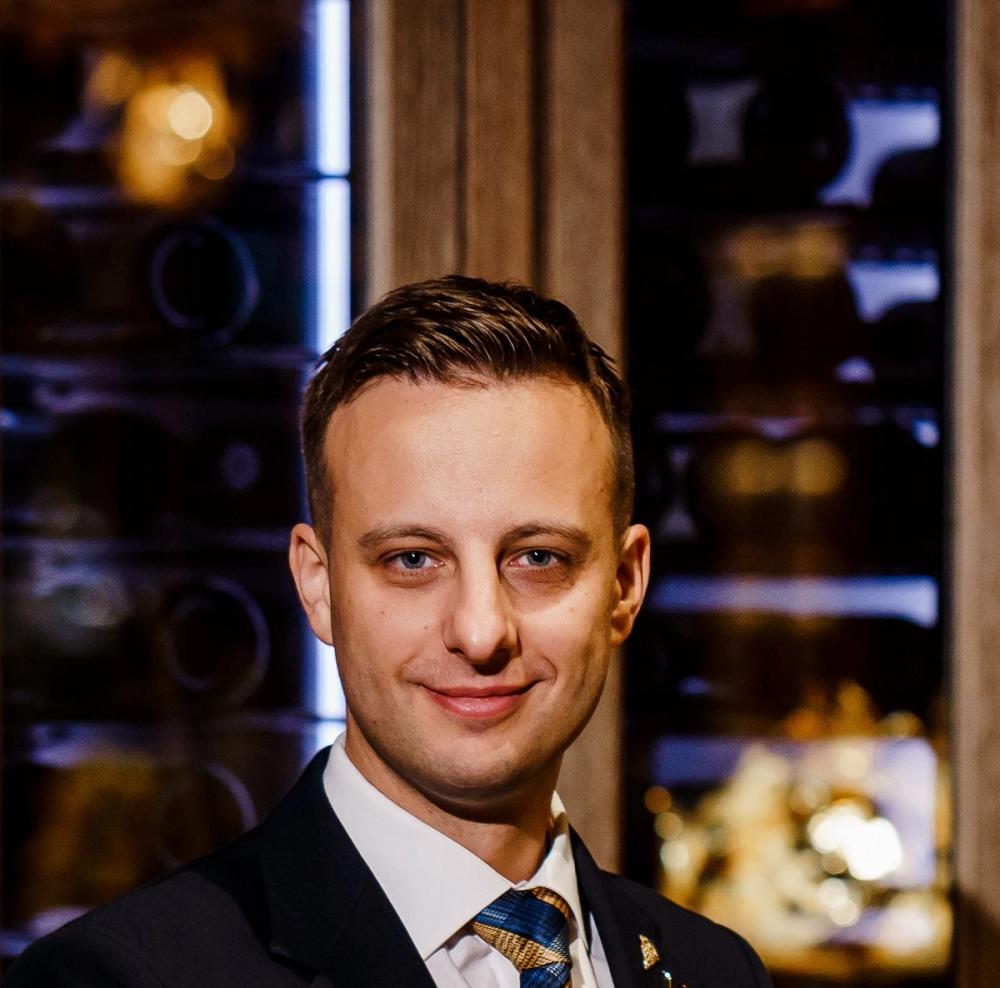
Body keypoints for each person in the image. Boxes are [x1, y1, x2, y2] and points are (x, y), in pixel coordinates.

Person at [5, 276, 771, 987]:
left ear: (625, 585)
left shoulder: (718, 971)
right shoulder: (120, 978)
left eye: (538, 558)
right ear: (319, 586)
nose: (481, 632)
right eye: (412, 559)